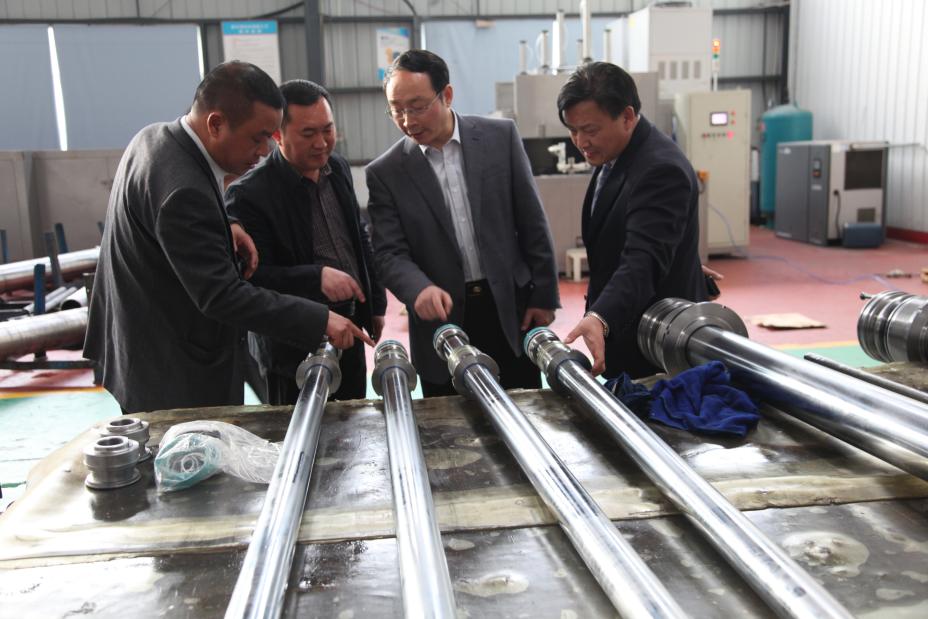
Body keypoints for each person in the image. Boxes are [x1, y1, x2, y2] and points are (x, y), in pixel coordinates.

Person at [84, 61, 372, 414]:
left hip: (138, 345)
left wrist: (227, 223)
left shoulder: (156, 138)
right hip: (172, 371)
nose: (264, 150)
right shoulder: (186, 191)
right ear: (216, 124)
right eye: (258, 137)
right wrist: (320, 319)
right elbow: (222, 295)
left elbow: (179, 215)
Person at [366, 49, 559, 396]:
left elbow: (532, 221)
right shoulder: (386, 172)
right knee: (450, 422)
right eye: (397, 109)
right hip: (441, 322)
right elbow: (388, 253)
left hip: (509, 311)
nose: (408, 121)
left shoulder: (500, 138)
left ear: (447, 95)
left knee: (523, 408)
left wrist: (544, 296)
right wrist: (418, 288)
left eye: (418, 106)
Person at [226, 80, 386, 404]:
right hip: (293, 346)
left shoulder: (336, 168)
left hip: (349, 327)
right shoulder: (249, 195)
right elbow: (253, 278)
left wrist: (375, 303)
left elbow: (358, 236)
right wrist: (316, 277)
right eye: (308, 133)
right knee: (298, 430)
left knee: (353, 422)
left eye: (328, 130)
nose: (322, 143)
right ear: (277, 134)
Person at [557, 62, 708, 378]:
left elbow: (643, 260)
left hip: (655, 345)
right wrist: (682, 258)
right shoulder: (616, 156)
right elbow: (644, 236)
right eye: (573, 130)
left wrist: (600, 316)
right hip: (629, 331)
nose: (581, 142)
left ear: (626, 117)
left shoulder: (660, 169)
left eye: (590, 130)